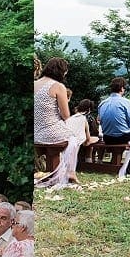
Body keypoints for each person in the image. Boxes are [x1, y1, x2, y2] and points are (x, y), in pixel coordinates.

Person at [34, 57, 83, 188]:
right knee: (75, 138)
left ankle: (63, 172)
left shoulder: (35, 83)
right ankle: (71, 172)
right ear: (61, 71)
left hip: (35, 131)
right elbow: (66, 115)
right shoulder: (58, 86)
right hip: (51, 132)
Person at [97, 77, 130, 179]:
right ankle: (128, 168)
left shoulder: (102, 103)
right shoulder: (126, 102)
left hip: (107, 137)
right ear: (122, 89)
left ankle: (116, 162)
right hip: (122, 136)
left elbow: (101, 120)